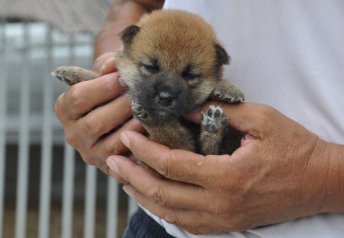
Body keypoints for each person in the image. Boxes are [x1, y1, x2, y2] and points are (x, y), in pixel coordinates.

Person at [55, 0, 344, 237]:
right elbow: (135, 5)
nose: (166, 91)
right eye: (151, 68)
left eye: (189, 76)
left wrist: (319, 177)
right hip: (165, 225)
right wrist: (107, 81)